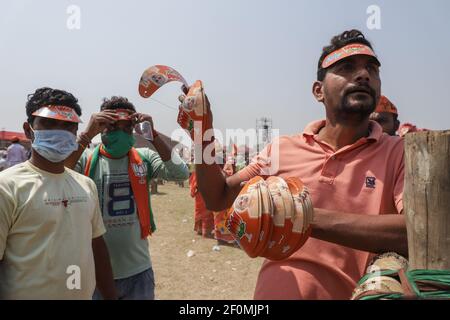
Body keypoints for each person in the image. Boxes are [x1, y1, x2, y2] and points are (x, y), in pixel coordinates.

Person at [193, 29, 407, 299]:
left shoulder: (398, 153)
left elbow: (415, 232)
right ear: (318, 91)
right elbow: (218, 196)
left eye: (372, 69)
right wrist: (201, 132)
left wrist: (299, 216)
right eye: (346, 67)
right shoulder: (282, 149)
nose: (363, 74)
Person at [65, 96, 189, 300]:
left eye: (126, 128)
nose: (120, 134)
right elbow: (58, 173)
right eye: (112, 127)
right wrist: (86, 134)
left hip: (138, 271)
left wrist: (153, 135)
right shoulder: (85, 159)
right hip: (95, 272)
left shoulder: (145, 158)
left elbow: (181, 173)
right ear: (101, 129)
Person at [0, 87, 117, 299]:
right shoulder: (7, 187)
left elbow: (97, 246)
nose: (60, 131)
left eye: (68, 125)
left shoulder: (86, 185)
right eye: (49, 123)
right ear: (28, 130)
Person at [189, 171, 215, 238]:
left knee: (204, 212)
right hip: (204, 194)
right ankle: (205, 231)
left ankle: (201, 230)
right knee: (206, 213)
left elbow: (193, 183)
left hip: (203, 194)